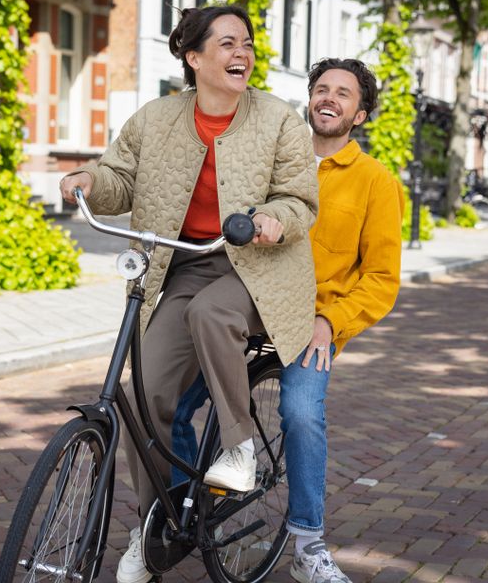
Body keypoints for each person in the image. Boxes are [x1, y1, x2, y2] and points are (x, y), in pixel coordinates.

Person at [58, 5, 318, 583]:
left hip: (259, 268)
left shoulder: (278, 120)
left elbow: (300, 200)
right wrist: (90, 180)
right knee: (144, 395)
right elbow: (120, 178)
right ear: (193, 57)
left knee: (212, 311)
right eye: (227, 44)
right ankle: (157, 527)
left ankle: (239, 448)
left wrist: (272, 218)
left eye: (247, 44)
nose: (242, 53)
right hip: (185, 266)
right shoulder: (156, 118)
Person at [171, 58, 403, 583]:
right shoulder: (275, 157)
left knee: (300, 414)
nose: (329, 98)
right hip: (253, 299)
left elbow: (382, 279)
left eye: (343, 93)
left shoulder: (376, 182)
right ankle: (182, 512)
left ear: (360, 114)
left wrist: (332, 322)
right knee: (170, 403)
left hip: (313, 320)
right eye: (322, 88)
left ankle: (307, 544)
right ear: (309, 98)